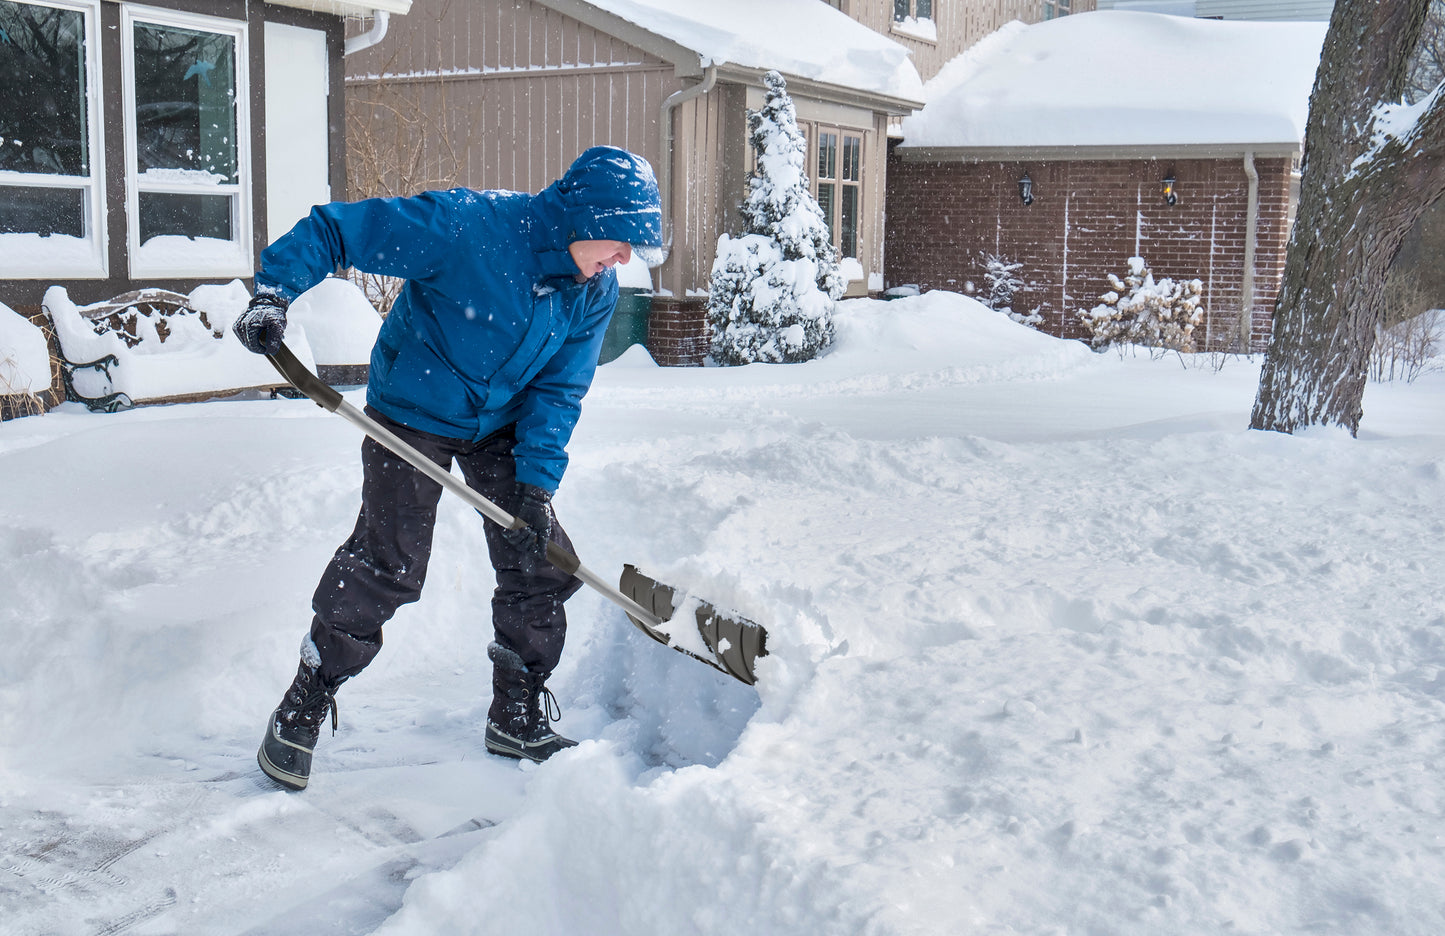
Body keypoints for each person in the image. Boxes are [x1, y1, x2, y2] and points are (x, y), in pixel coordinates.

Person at [233, 146, 664, 790]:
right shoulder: (469, 226)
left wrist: (536, 489)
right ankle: (306, 698)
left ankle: (515, 716)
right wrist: (274, 292)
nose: (626, 259)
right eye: (622, 239)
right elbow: (337, 229)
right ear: (585, 217)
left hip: (502, 420)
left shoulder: (592, 290)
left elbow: (559, 391)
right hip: (414, 407)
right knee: (391, 562)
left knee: (539, 559)